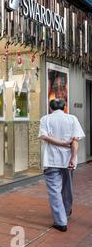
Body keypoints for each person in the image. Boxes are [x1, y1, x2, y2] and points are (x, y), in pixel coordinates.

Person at [38, 99, 85, 232]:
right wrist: (73, 157)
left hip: (51, 160)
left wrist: (60, 143)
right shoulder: (72, 119)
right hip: (68, 160)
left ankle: (60, 221)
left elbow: (44, 136)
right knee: (67, 186)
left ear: (50, 108)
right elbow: (75, 141)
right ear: (64, 107)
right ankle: (67, 211)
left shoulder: (45, 119)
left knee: (54, 190)